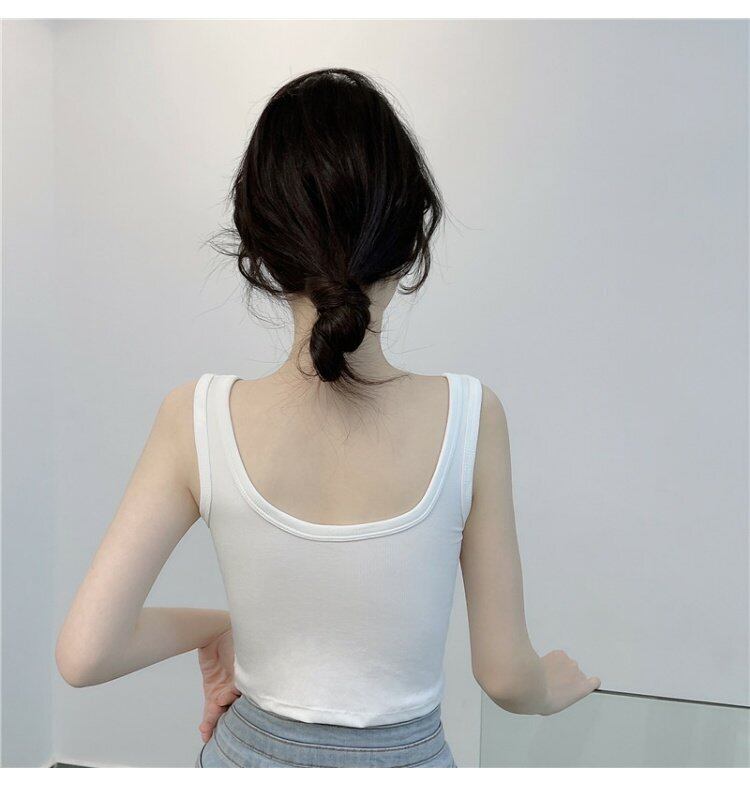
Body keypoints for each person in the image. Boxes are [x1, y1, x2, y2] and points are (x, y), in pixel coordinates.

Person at [55, 67, 600, 768]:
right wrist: (553, 685)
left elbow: (85, 654)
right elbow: (505, 676)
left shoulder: (193, 416)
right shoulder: (471, 416)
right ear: (411, 240)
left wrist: (217, 626)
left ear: (259, 249)